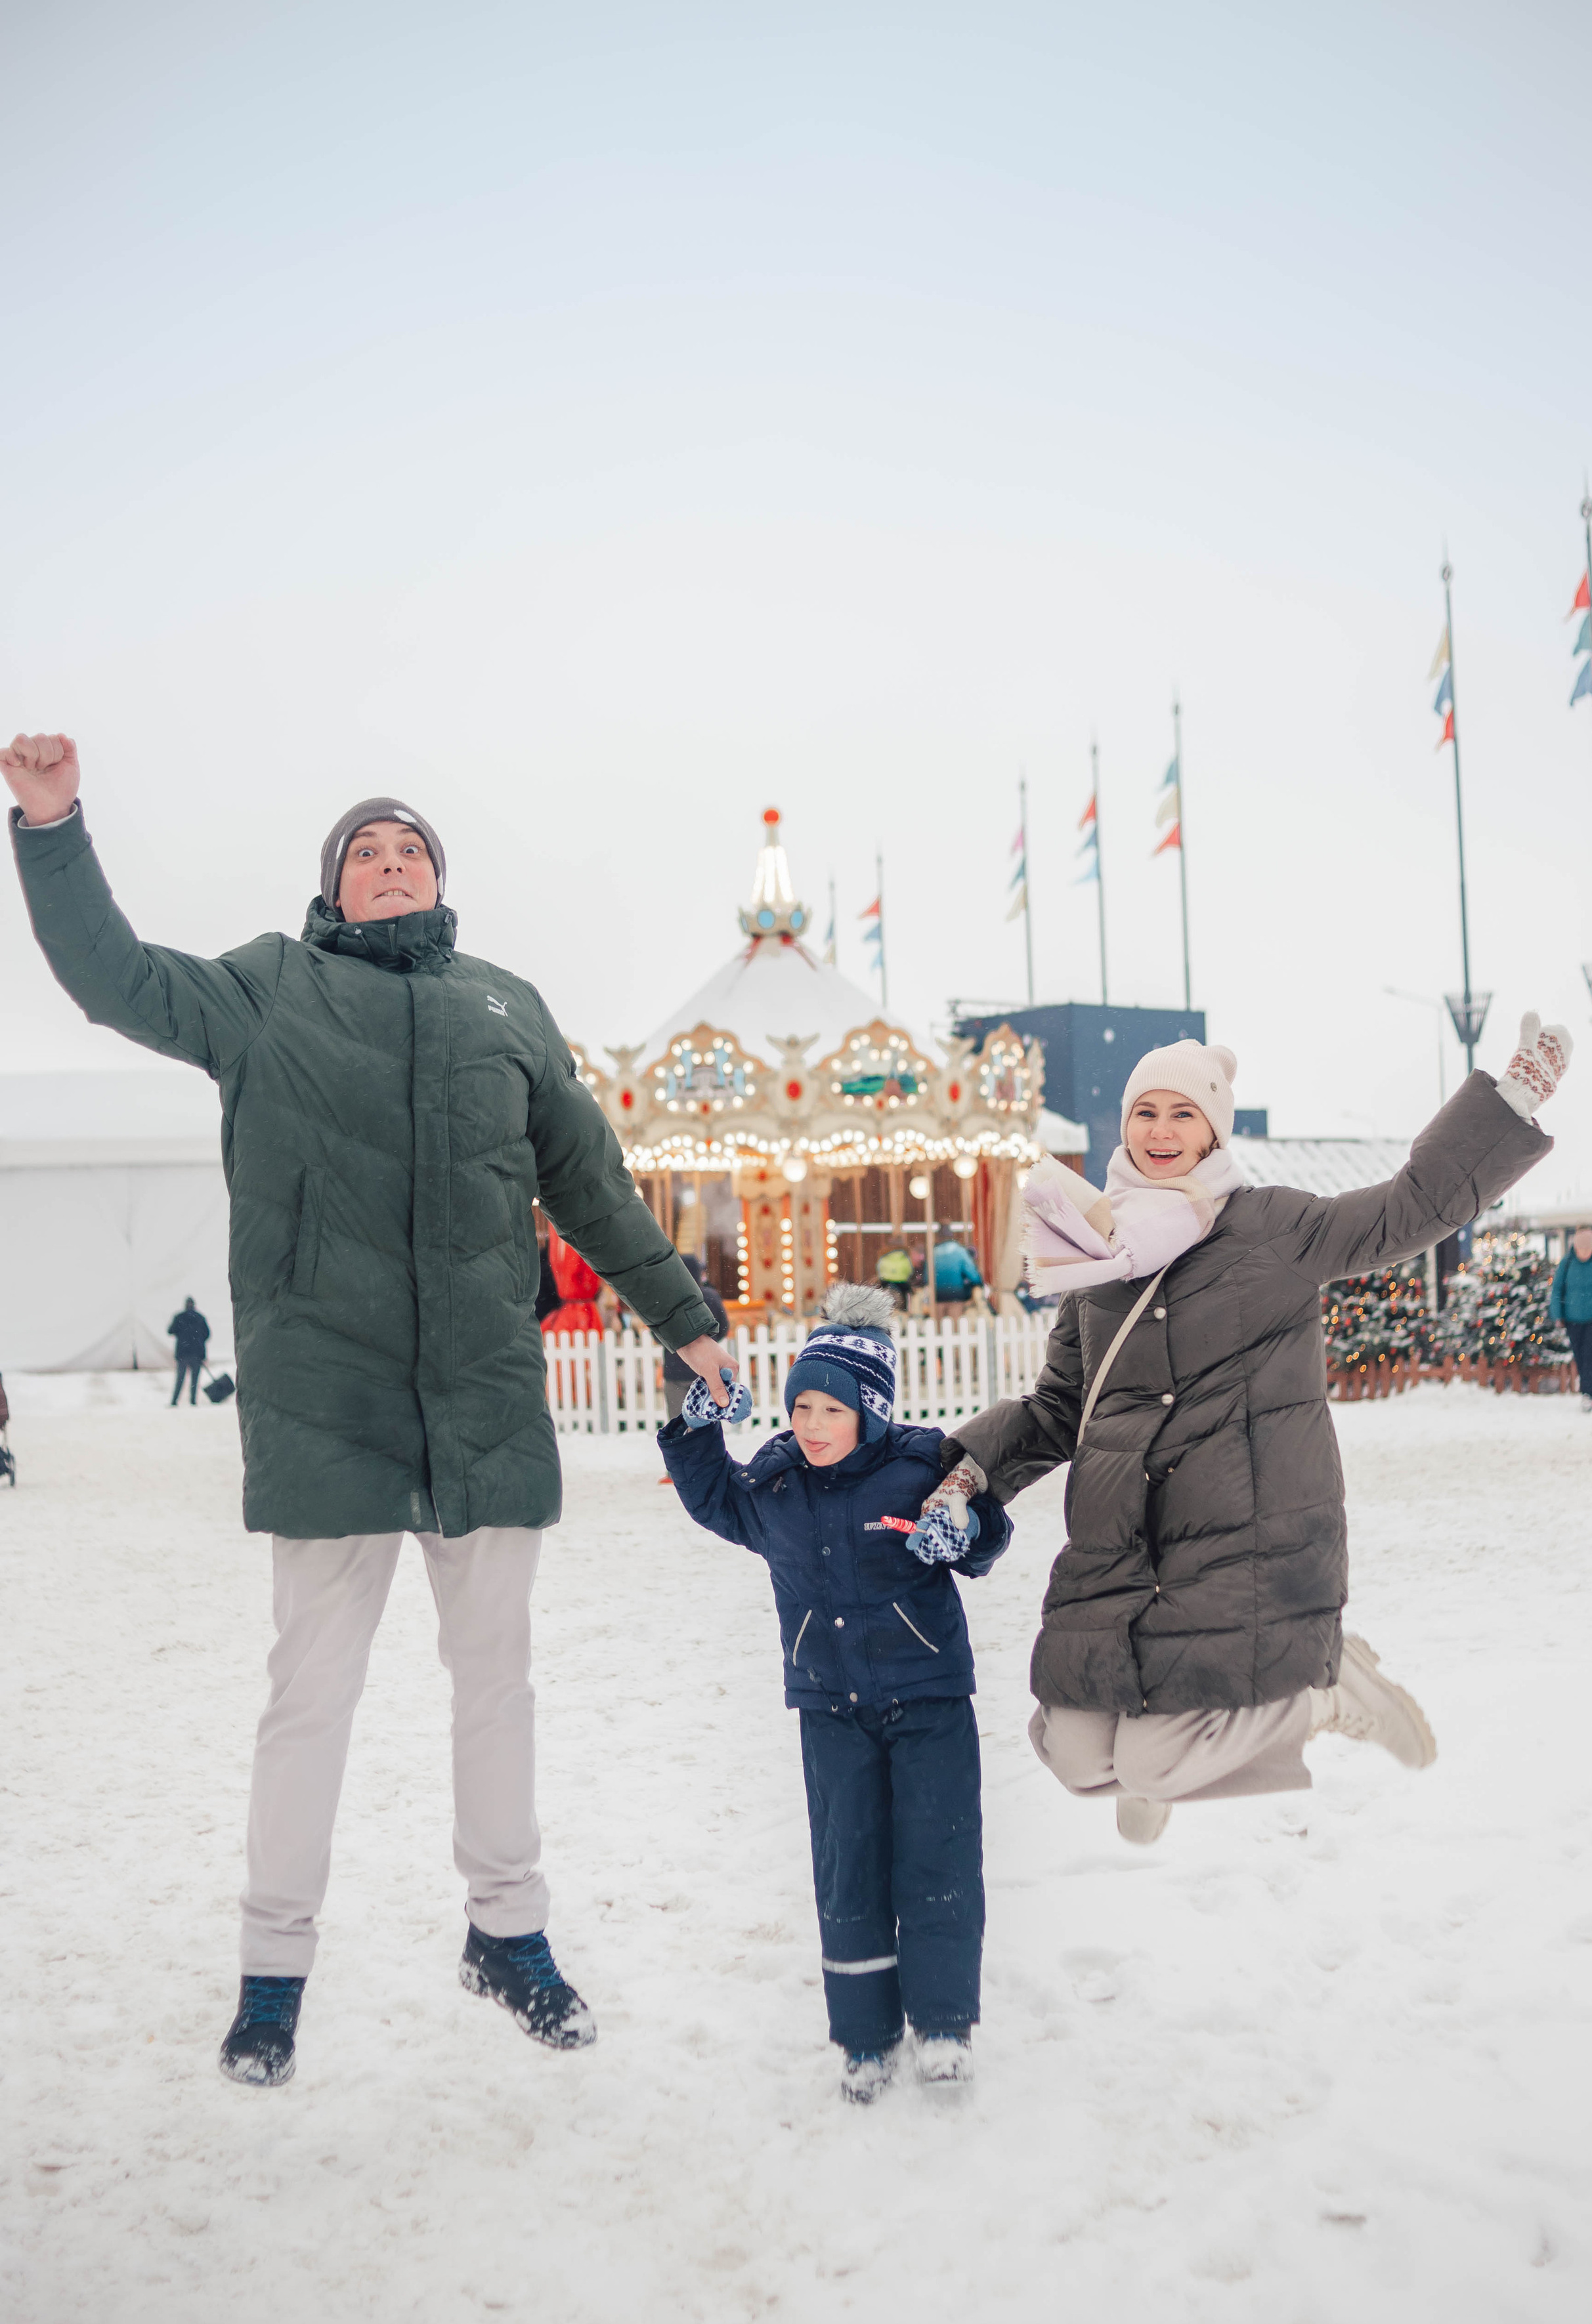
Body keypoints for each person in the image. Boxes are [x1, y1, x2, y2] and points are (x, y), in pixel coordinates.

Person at [5, 730, 737, 2090]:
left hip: (481, 1403)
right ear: (332, 887)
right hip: (326, 1399)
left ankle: (507, 1936)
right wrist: (51, 827)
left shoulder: (507, 1008)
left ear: (438, 882)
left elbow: (592, 1188)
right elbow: (113, 980)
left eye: (410, 851)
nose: (388, 864)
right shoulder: (267, 991)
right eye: (365, 852)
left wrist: (682, 1318)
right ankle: (271, 1972)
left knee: (495, 1689)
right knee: (310, 1701)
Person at [916, 1015, 1568, 1846]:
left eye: (1182, 1114)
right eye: (1144, 1112)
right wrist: (970, 1472)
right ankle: (1170, 1751)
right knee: (1071, 1753)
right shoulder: (1098, 1260)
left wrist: (1511, 1098)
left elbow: (1405, 1211)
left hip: (1243, 1534)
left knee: (1151, 1763)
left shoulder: (1271, 1228)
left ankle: (1320, 1695)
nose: (1161, 1132)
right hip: (1121, 1548)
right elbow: (1056, 1410)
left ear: (1214, 1128)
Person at [658, 1284, 1011, 2102]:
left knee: (938, 1858)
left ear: (873, 1410)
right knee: (846, 1866)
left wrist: (964, 1530)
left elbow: (984, 1529)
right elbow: (713, 1499)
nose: (811, 1425)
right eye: (800, 1407)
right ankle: (862, 2036)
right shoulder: (779, 1484)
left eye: (830, 1409)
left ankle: (945, 2025)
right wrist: (698, 1414)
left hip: (928, 1700)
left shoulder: (921, 1463)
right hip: (829, 1706)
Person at [1549, 1225, 1592, 1414]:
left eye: (1588, 1249)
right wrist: (1557, 1315)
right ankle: (1587, 1391)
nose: (1585, 1253)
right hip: (1572, 1319)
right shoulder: (1567, 1264)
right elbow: (1557, 1290)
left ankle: (1588, 1394)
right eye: (1582, 1249)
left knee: (1590, 1355)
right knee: (1580, 1356)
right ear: (1576, 1247)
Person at [660, 1254, 731, 1424]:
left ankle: (681, 1449)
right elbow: (723, 1327)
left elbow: (658, 1333)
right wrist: (707, 1340)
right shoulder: (710, 1296)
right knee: (706, 1421)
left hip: (674, 1372)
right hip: (705, 1370)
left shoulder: (668, 1298)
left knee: (678, 1423)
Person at [167, 1296, 211, 1406]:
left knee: (180, 1379)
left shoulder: (179, 1317)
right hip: (197, 1354)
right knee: (194, 1380)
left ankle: (174, 1401)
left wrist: (182, 1336)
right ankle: (193, 1401)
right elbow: (207, 1334)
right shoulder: (200, 1318)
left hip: (183, 1353)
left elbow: (170, 1331)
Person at [932, 1236, 984, 1305]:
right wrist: (979, 1283)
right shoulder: (959, 1250)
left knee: (938, 1315)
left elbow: (927, 1277)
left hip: (938, 1294)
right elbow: (972, 1274)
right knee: (955, 1315)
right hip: (956, 1293)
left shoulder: (934, 1252)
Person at [875, 1239, 913, 1309]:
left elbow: (879, 1269)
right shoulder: (905, 1258)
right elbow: (909, 1270)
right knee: (908, 1295)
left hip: (886, 1281)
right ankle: (905, 1310)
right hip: (901, 1282)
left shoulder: (884, 1257)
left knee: (880, 1295)